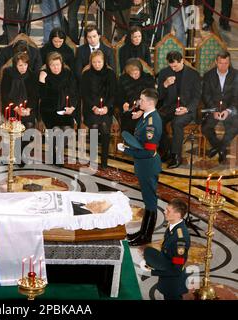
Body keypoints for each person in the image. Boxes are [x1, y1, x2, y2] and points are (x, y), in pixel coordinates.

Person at [117, 88, 162, 246]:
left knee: (150, 202)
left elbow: (148, 151)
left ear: (150, 102)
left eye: (142, 100)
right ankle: (142, 232)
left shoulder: (152, 123)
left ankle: (146, 237)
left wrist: (126, 150)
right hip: (144, 165)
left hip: (148, 165)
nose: (139, 102)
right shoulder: (146, 116)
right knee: (147, 200)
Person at [157, 51, 201, 169]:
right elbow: (160, 96)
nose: (173, 69)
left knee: (177, 123)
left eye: (175, 66)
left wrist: (187, 109)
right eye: (171, 66)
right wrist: (165, 84)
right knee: (156, 119)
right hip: (169, 107)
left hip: (186, 109)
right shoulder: (164, 73)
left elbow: (197, 97)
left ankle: (176, 156)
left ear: (182, 61)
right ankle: (165, 150)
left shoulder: (194, 74)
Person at [144, 198, 191, 300]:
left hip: (173, 282)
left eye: (168, 211)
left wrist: (152, 271)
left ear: (178, 215)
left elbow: (176, 269)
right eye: (166, 209)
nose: (164, 212)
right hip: (168, 277)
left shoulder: (180, 239)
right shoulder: (172, 227)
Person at [39, 51, 78, 164]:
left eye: (57, 64)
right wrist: (42, 81)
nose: (55, 68)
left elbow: (74, 93)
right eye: (52, 65)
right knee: (57, 131)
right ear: (48, 65)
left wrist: (72, 107)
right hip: (49, 110)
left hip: (65, 109)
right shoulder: (44, 75)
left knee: (67, 131)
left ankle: (57, 153)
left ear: (62, 64)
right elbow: (41, 96)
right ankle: (55, 155)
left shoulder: (68, 73)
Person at [0, 52, 38, 166]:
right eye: (20, 65)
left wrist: (28, 109)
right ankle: (17, 154)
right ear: (15, 65)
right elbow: (5, 94)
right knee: (15, 127)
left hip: (27, 108)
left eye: (25, 65)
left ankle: (20, 152)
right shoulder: (8, 73)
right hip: (11, 107)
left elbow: (34, 95)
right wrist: (16, 108)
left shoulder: (32, 75)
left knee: (29, 126)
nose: (23, 68)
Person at [81, 50, 117, 169]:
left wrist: (107, 107)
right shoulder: (86, 74)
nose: (97, 64)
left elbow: (113, 94)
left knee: (105, 128)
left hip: (107, 108)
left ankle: (104, 161)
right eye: (94, 62)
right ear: (91, 62)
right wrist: (94, 107)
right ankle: (92, 159)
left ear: (104, 61)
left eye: (99, 62)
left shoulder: (110, 74)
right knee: (95, 127)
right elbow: (84, 94)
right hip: (91, 108)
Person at [201, 51, 238, 164]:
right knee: (205, 127)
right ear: (216, 62)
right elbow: (206, 95)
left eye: (226, 63)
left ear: (229, 62)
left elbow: (236, 96)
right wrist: (214, 110)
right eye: (221, 63)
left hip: (229, 108)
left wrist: (228, 110)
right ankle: (220, 148)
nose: (223, 66)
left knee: (235, 125)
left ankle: (220, 148)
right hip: (214, 108)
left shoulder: (236, 74)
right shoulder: (208, 75)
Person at [117, 58, 155, 134]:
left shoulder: (147, 79)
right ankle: (93, 145)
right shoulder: (123, 79)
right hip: (128, 111)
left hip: (145, 111)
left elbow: (152, 97)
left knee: (145, 126)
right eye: (131, 74)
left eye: (136, 73)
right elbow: (118, 96)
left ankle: (140, 145)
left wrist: (142, 110)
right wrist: (123, 103)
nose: (134, 76)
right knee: (95, 126)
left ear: (140, 70)